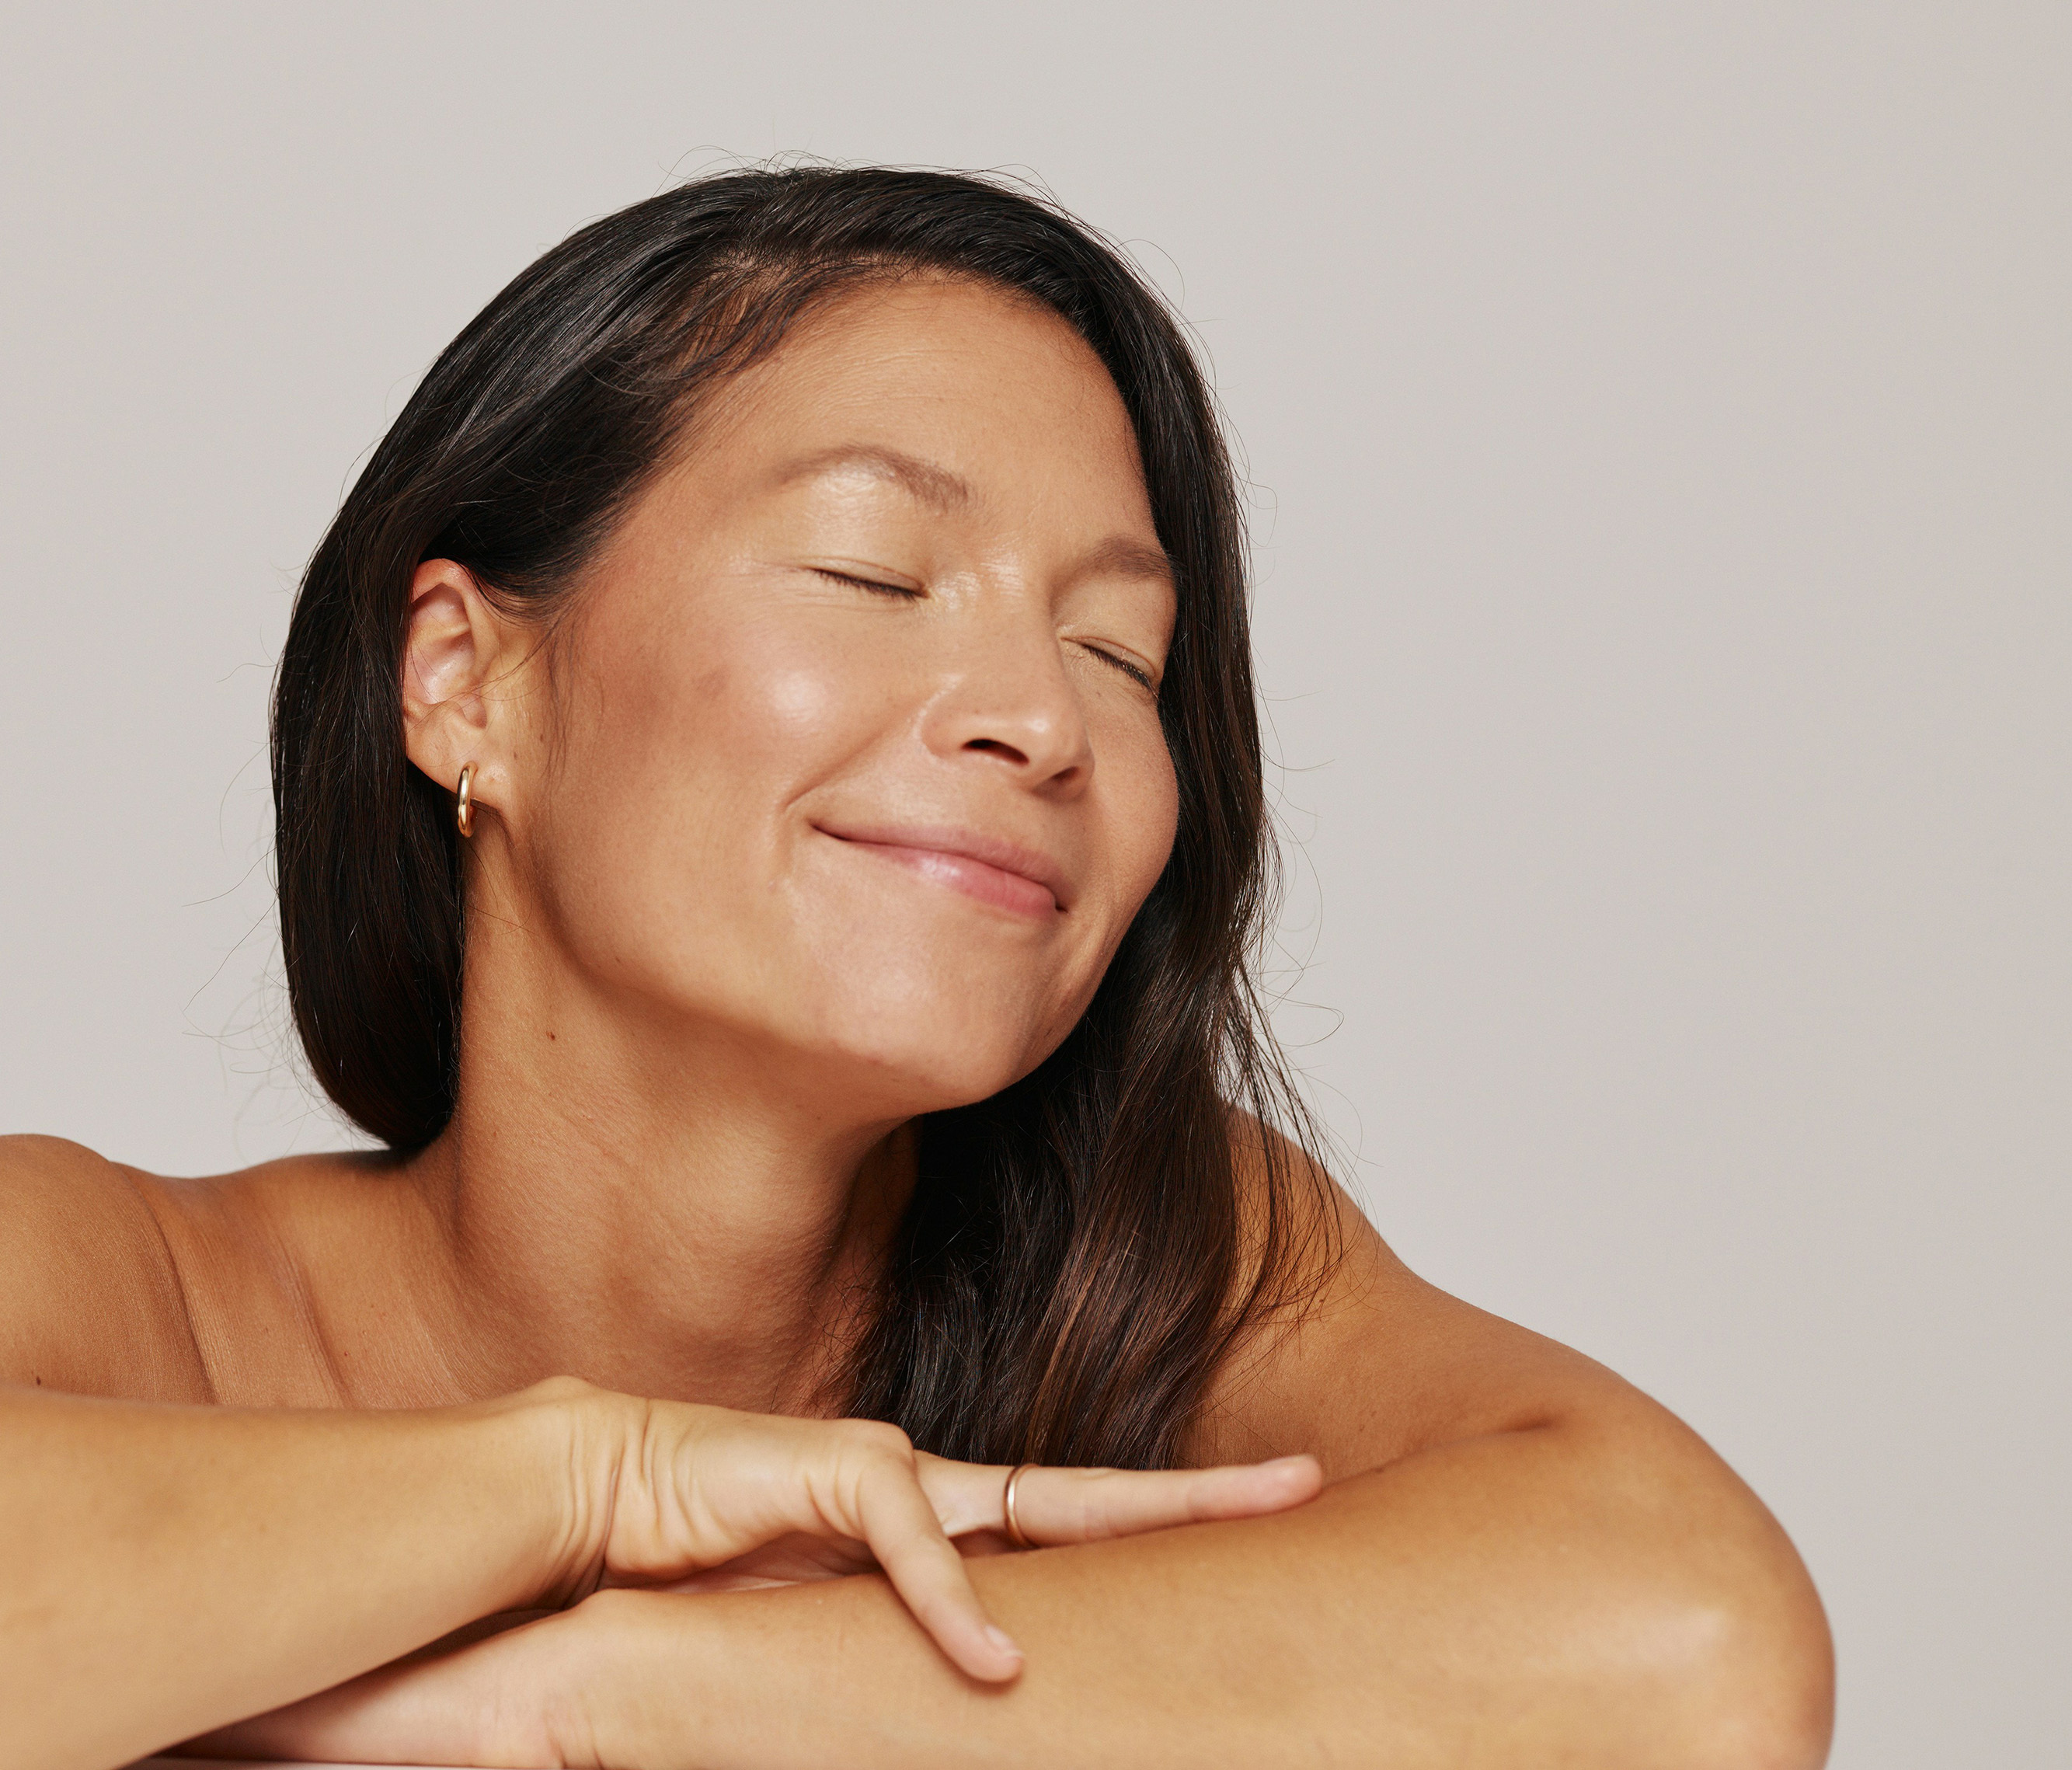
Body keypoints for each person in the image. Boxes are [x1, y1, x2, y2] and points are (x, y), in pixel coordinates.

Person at [0, 166, 1833, 1768]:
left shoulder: (1143, 1273)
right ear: (465, 680)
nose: (1040, 716)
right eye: (875, 572)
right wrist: (608, 1485)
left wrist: (614, 1691)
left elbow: (1693, 1644)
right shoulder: (123, 1288)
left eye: (1118, 654)